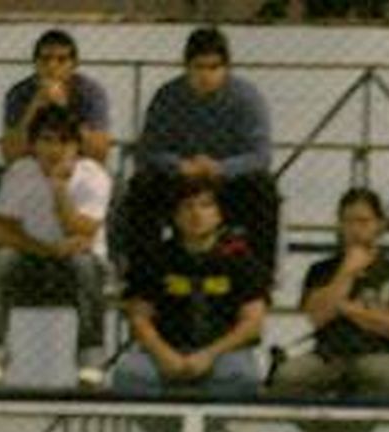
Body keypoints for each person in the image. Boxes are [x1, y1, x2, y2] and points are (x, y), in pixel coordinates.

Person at [112, 176, 268, 432]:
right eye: (187, 207)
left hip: (220, 352)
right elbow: (139, 317)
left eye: (205, 205)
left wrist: (209, 354)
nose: (196, 214)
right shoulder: (155, 258)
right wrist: (164, 354)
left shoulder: (241, 260)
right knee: (128, 375)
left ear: (220, 214)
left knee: (244, 376)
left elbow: (253, 323)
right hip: (166, 349)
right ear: (174, 215)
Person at [267, 186, 389, 432]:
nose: (355, 228)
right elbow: (318, 316)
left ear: (378, 224)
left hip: (375, 354)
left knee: (388, 379)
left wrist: (351, 311)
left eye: (363, 221)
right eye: (348, 221)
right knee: (285, 380)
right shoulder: (322, 269)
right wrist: (347, 272)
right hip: (329, 353)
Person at [117, 26, 280, 278]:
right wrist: (179, 165)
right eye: (198, 67)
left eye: (213, 67)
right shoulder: (167, 97)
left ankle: (259, 278)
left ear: (226, 67)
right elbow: (148, 150)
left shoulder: (246, 98)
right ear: (186, 66)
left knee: (264, 191)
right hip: (180, 182)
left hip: (227, 184)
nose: (206, 75)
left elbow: (260, 155)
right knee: (142, 188)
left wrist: (222, 168)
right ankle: (141, 278)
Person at [0, 105, 111, 390]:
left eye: (64, 141)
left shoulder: (95, 176)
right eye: (47, 140)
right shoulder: (18, 173)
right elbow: (1, 232)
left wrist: (60, 190)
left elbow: (84, 231)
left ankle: (90, 358)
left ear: (77, 146)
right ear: (33, 144)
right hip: (33, 258)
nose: (55, 149)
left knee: (86, 266)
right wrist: (46, 249)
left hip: (78, 261)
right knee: (0, 261)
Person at [1, 28, 111, 165]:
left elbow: (99, 155)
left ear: (74, 64)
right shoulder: (19, 93)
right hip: (34, 165)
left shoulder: (90, 93)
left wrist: (66, 111)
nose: (52, 66)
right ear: (35, 63)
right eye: (45, 59)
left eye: (61, 60)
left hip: (77, 164)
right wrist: (33, 108)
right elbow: (10, 156)